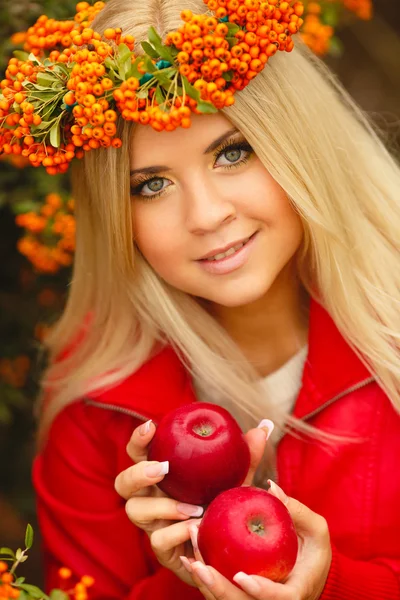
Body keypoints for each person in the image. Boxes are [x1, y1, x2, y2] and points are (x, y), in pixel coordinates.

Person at [29, 0, 400, 598]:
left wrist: (331, 586)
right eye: (152, 185)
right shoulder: (95, 410)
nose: (205, 215)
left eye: (233, 152)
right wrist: (195, 577)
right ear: (116, 217)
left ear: (296, 141)